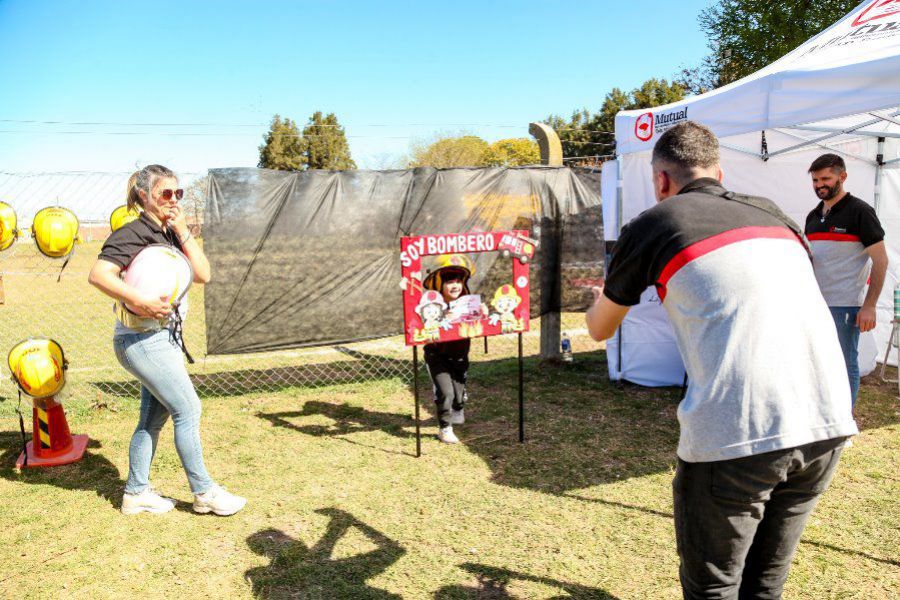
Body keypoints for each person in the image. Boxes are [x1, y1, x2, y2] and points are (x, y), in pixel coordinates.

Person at [586, 122, 857, 598]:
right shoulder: (774, 214)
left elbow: (600, 328)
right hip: (827, 420)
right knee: (764, 584)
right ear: (719, 172)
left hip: (739, 430)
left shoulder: (655, 221)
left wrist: (598, 297)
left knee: (714, 587)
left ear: (662, 181)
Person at [89, 164, 246, 516]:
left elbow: (204, 273)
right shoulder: (131, 233)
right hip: (141, 339)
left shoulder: (171, 234)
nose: (174, 199)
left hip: (164, 338)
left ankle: (136, 493)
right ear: (144, 196)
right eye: (165, 193)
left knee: (151, 418)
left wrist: (182, 230)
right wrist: (139, 299)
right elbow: (98, 275)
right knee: (188, 409)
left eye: (179, 193)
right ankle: (204, 493)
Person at [804, 153, 888, 406]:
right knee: (817, 362)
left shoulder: (860, 211)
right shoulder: (813, 216)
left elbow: (881, 260)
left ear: (843, 176)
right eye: (816, 180)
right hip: (814, 304)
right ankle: (823, 414)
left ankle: (844, 420)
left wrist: (870, 305)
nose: (820, 185)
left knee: (844, 361)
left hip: (846, 305)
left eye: (826, 178)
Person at [422, 254, 478, 444]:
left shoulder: (468, 303)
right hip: (436, 355)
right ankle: (445, 428)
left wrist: (483, 313)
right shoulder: (429, 304)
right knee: (445, 392)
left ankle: (459, 406)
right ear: (439, 283)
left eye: (458, 281)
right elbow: (421, 323)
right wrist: (442, 317)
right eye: (449, 282)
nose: (455, 285)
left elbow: (479, 320)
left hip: (460, 356)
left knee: (458, 394)